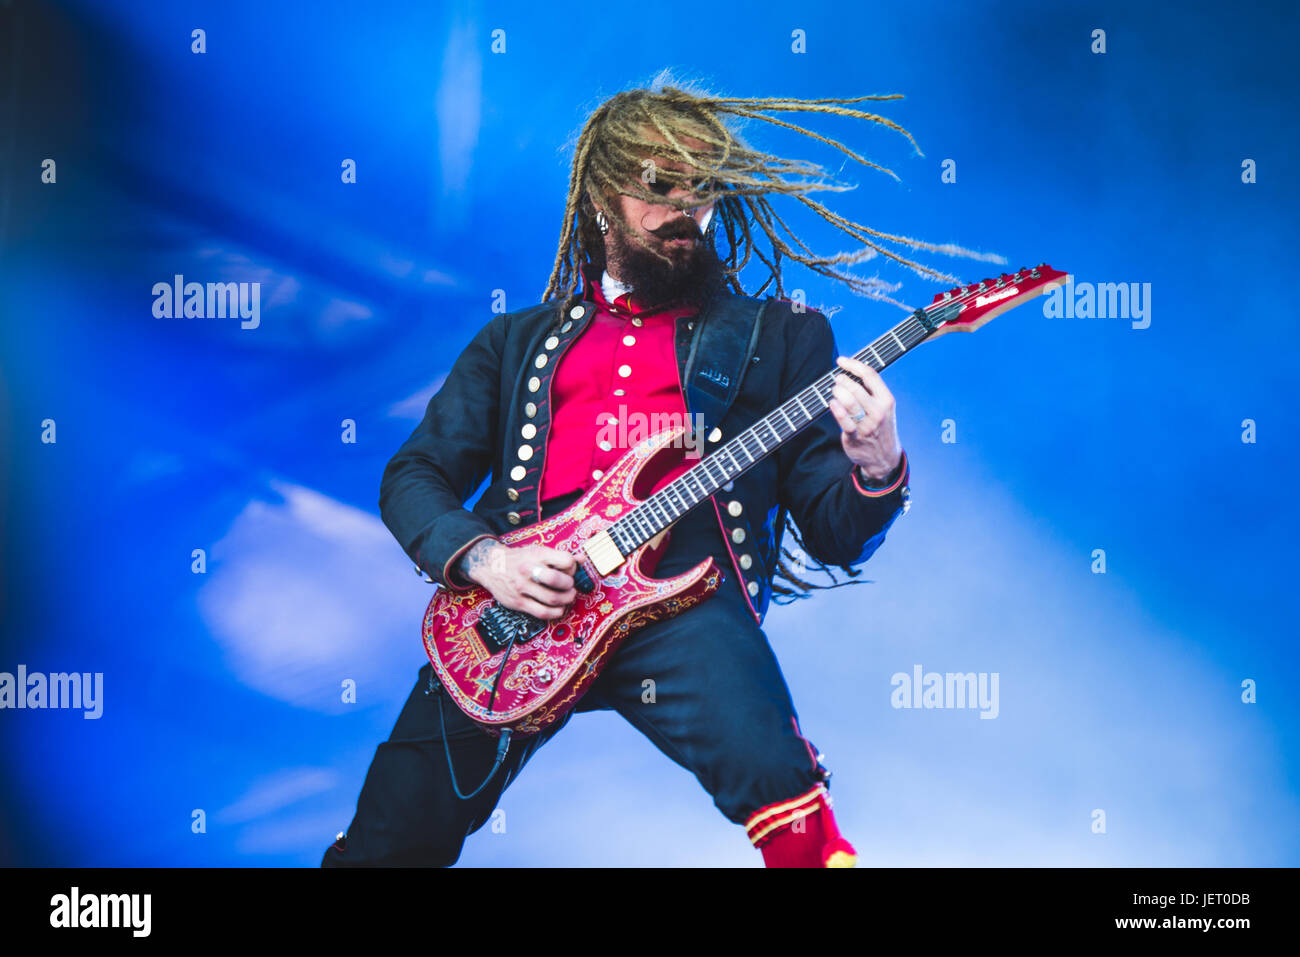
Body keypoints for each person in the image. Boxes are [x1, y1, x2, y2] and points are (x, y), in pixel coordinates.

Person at [323, 77, 986, 867]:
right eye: (658, 188)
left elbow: (836, 530)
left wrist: (878, 465)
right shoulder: (514, 342)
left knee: (797, 814)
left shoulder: (779, 337)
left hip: (685, 598)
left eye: (702, 191)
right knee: (386, 841)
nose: (684, 211)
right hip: (517, 613)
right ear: (604, 199)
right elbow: (414, 474)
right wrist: (489, 560)